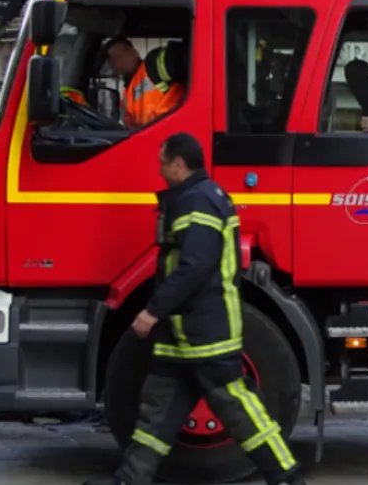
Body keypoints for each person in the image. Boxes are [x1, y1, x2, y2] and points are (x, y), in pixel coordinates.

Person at [84, 132, 304, 485]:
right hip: (184, 330)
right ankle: (130, 478)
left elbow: (194, 266)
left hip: (206, 331)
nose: (159, 170)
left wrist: (152, 310)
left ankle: (287, 477)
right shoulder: (201, 196)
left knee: (239, 410)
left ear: (179, 164)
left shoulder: (197, 202)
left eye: (163, 163)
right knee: (158, 410)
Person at [104, 37, 186, 129]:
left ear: (134, 52)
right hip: (147, 139)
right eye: (113, 59)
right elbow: (128, 130)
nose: (118, 62)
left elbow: (183, 57)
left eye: (120, 56)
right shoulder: (126, 97)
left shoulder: (153, 65)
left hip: (173, 132)